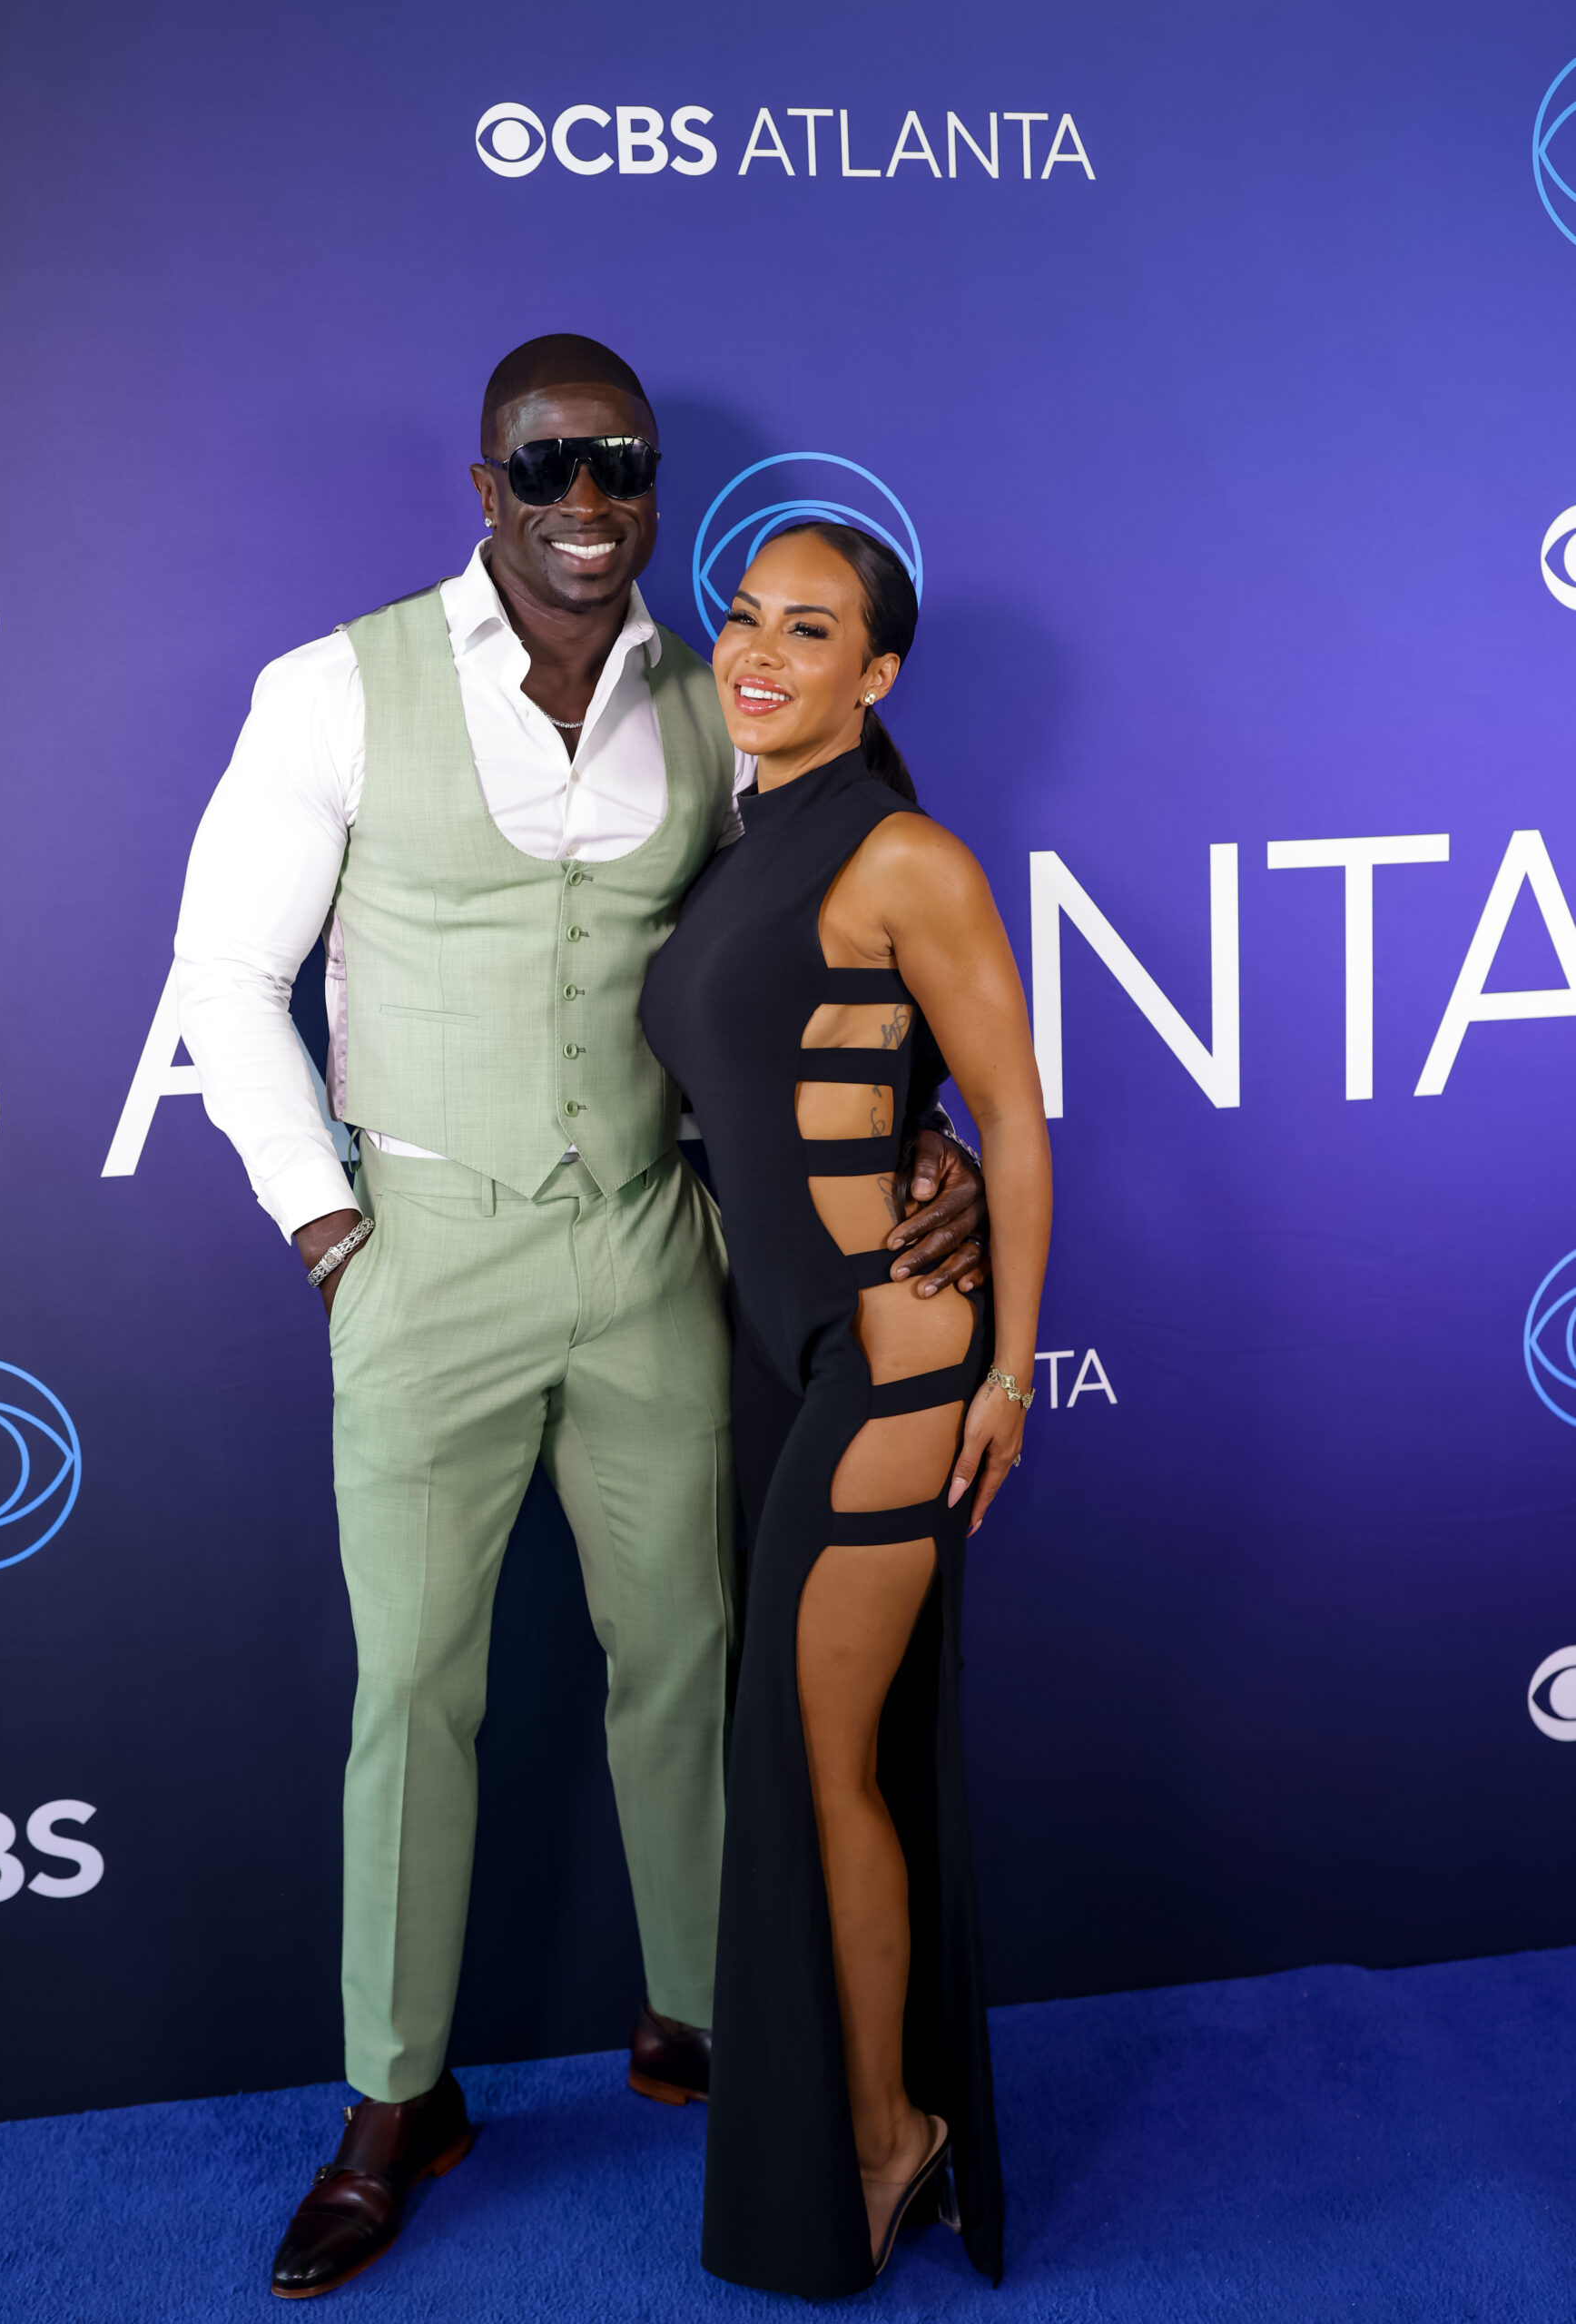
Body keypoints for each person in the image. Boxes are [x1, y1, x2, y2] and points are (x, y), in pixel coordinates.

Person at [173, 335, 989, 2300]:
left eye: (618, 465)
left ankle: (714, 2017)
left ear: (650, 487)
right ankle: (396, 2101)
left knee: (690, 1656)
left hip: (648, 1249)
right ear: (486, 486)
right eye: (545, 466)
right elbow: (224, 973)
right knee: (412, 1689)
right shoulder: (333, 687)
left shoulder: (721, 702)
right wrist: (330, 1231)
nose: (584, 500)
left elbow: (814, 950)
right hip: (421, 1249)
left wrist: (924, 1127)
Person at [642, 522, 1053, 2296]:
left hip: (893, 1366)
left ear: (875, 674)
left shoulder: (904, 853)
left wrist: (1012, 1366)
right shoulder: (741, 836)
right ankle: (873, 2117)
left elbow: (1011, 1117)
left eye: (808, 631)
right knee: (815, 1761)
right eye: (744, 618)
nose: (758, 652)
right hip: (779, 1356)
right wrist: (914, 1139)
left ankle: (891, 2135)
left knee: (819, 1766)